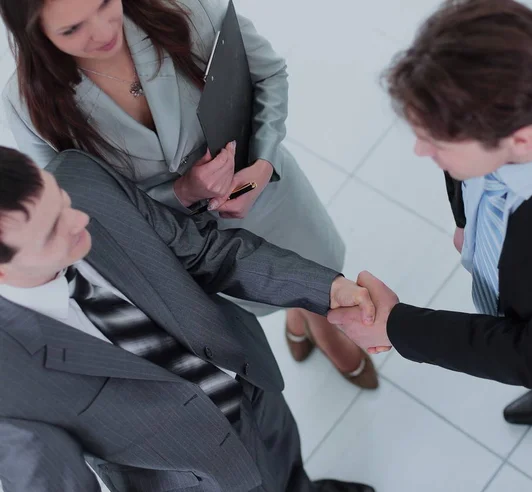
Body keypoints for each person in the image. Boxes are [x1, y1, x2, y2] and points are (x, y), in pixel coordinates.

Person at [0, 0, 378, 389]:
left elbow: (269, 75)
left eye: (104, 3)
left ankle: (318, 324)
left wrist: (261, 167)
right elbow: (86, 203)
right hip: (185, 242)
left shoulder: (180, 8)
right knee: (266, 296)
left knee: (314, 272)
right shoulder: (32, 104)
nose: (102, 31)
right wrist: (180, 193)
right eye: (71, 30)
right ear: (35, 37)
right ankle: (300, 315)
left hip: (268, 197)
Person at [0, 146, 378, 492]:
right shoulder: (9, 386)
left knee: (289, 468)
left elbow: (203, 251)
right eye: (52, 230)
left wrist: (324, 288)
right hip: (199, 489)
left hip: (249, 380)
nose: (79, 218)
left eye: (60, 200)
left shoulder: (80, 175)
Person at [329, 0, 532, 433]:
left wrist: (396, 326)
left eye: (437, 142)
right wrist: (465, 219)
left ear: (522, 141)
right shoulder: (528, 78)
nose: (421, 151)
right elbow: (464, 168)